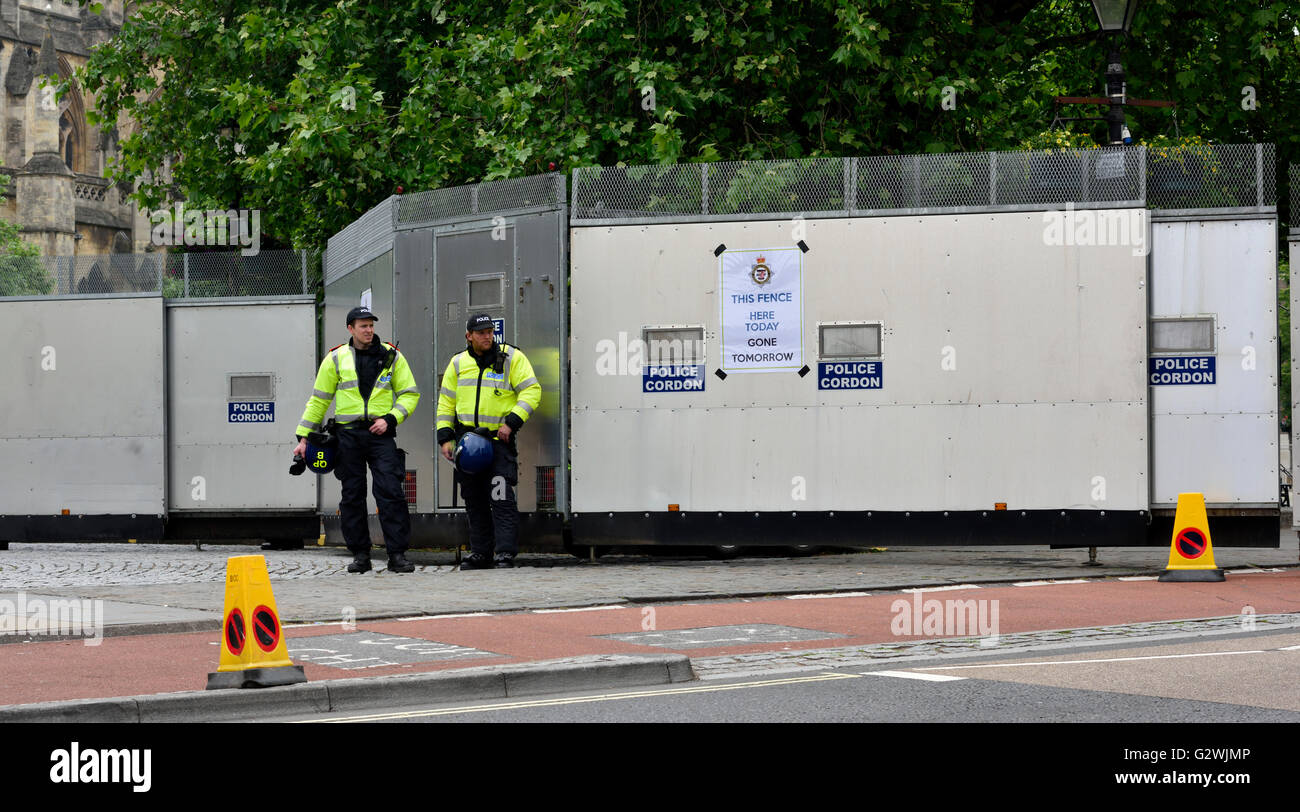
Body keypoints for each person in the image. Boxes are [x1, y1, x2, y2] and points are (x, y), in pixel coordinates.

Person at [296, 307, 420, 573]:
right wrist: (303, 437)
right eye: (363, 326)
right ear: (350, 329)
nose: (368, 330)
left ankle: (397, 555)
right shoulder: (336, 358)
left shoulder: (392, 356)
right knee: (352, 496)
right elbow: (319, 400)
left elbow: (410, 394)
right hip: (347, 436)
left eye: (371, 325)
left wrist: (390, 419)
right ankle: (361, 555)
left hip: (381, 434)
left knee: (391, 492)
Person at [437, 314, 543, 569]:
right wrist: (445, 437)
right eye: (481, 332)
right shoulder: (458, 363)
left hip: (497, 443)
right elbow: (446, 402)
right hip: (467, 443)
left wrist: (512, 422)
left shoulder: (511, 358)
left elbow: (532, 390)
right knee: (474, 501)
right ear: (469, 336)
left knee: (501, 498)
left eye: (490, 331)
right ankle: (481, 554)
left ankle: (505, 553)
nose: (487, 336)